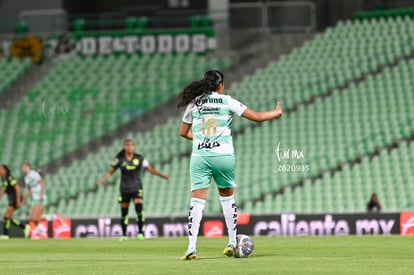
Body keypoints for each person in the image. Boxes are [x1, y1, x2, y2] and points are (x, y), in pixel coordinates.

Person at [178, 70, 283, 260]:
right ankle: (232, 243)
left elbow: (183, 132)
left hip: (200, 156)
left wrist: (202, 139)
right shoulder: (227, 101)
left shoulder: (194, 103)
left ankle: (191, 247)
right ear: (220, 85)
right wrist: (276, 112)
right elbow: (257, 117)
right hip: (223, 155)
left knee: (197, 202)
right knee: (227, 198)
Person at [97, 139, 169, 241]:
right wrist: (102, 180)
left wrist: (162, 176)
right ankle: (124, 235)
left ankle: (140, 233)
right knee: (124, 212)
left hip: (137, 187)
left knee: (139, 208)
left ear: (134, 147)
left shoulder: (140, 158)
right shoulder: (120, 159)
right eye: (127, 145)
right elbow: (111, 172)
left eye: (131, 145)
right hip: (124, 188)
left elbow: (150, 169)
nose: (129, 147)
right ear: (124, 147)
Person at [0, 164, 30, 239]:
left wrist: (18, 200)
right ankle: (24, 227)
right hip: (11, 199)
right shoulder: (3, 179)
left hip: (15, 198)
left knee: (7, 216)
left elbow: (17, 188)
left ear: (5, 170)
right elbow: (3, 191)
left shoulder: (10, 178)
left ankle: (6, 235)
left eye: (1, 169)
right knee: (7, 216)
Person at [22, 162, 48, 239]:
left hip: (41, 198)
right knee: (32, 218)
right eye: (23, 167)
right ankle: (42, 233)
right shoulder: (26, 178)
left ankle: (53, 217)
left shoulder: (34, 174)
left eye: (24, 167)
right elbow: (29, 190)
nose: (23, 168)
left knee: (36, 218)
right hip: (34, 199)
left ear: (28, 167)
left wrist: (41, 194)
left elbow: (42, 183)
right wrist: (24, 199)